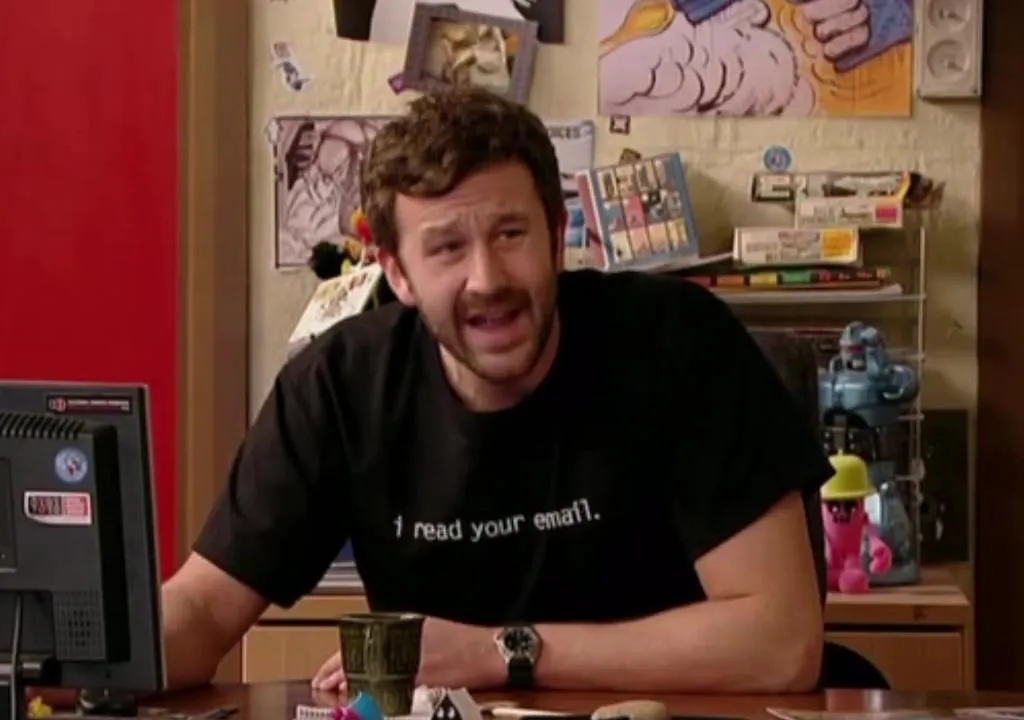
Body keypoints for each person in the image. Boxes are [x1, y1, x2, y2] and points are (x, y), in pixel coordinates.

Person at [160, 87, 831, 694]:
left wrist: (500, 652)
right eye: (446, 248)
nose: (487, 279)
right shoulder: (338, 387)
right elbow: (202, 608)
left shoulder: (678, 342)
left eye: (510, 234)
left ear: (557, 238)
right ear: (397, 274)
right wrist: (102, 653)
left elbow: (780, 644)